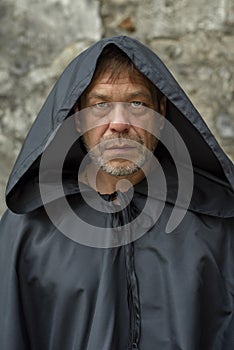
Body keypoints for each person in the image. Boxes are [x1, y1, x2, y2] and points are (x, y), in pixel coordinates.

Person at [0, 36, 233, 350]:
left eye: (137, 103)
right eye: (101, 105)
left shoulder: (215, 228)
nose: (119, 123)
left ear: (162, 113)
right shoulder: (28, 231)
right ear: (78, 116)